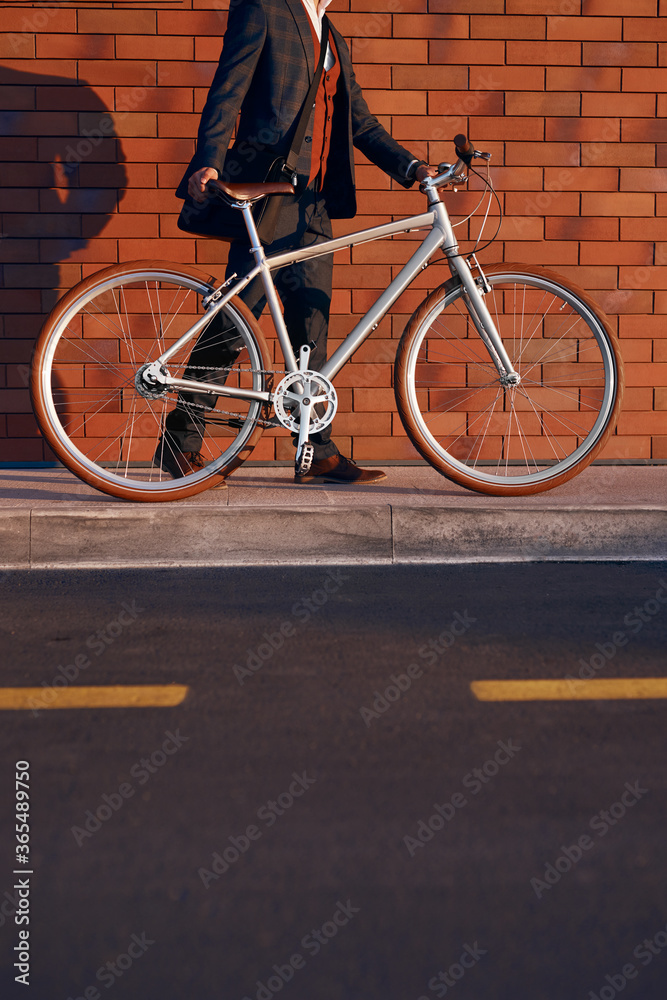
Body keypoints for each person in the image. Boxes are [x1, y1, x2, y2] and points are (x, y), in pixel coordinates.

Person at [162, 0, 436, 485]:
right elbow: (228, 88)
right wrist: (208, 159)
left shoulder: (330, 31)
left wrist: (412, 168)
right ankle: (179, 441)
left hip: (314, 201)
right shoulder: (264, 7)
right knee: (236, 319)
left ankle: (317, 444)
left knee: (312, 322)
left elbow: (361, 124)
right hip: (269, 191)